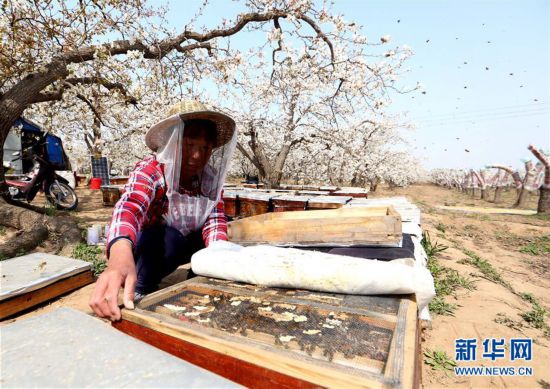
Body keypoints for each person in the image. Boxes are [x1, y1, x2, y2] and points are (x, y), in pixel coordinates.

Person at [89, 100, 237, 320]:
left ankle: (199, 273)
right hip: (149, 247)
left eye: (205, 148)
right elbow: (130, 206)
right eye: (189, 145)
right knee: (169, 238)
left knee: (220, 240)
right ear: (171, 142)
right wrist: (119, 253)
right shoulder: (151, 170)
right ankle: (141, 286)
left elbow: (215, 221)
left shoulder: (209, 180)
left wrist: (217, 262)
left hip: (182, 242)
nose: (197, 156)